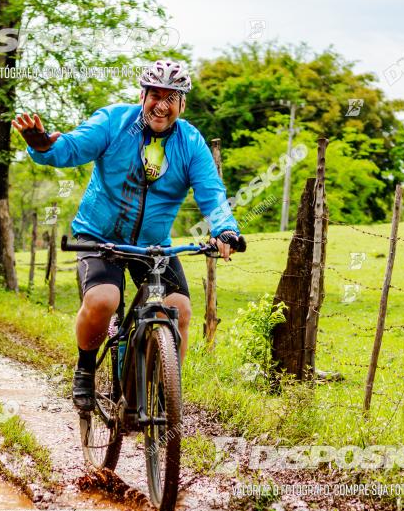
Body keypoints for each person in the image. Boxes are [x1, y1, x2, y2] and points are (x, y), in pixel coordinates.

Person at [12, 58, 240, 412]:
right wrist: (42, 144)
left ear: (183, 103)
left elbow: (211, 193)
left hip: (153, 246)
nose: (161, 105)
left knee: (178, 310)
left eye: (171, 97)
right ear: (142, 94)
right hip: (99, 236)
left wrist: (225, 229)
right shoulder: (114, 122)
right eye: (155, 95)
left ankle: (167, 397)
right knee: (104, 300)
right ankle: (85, 369)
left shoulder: (190, 143)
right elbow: (70, 148)